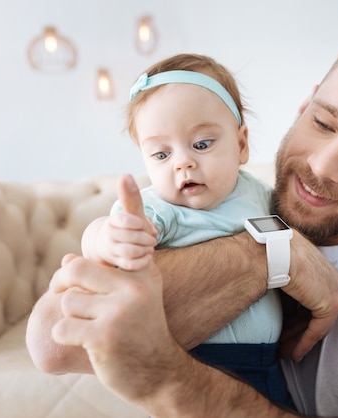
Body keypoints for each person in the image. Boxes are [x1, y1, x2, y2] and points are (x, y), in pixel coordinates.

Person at [26, 28, 338, 417]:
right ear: (302, 110)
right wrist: (269, 255)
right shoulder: (215, 206)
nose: (324, 165)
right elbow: (52, 344)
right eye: (322, 123)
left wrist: (170, 380)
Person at [79, 53, 294, 408]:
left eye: (201, 144)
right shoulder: (157, 209)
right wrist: (107, 238)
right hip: (191, 366)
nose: (183, 162)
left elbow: (293, 239)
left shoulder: (258, 194)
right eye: (161, 155)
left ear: (241, 145)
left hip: (269, 364)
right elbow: (101, 235)